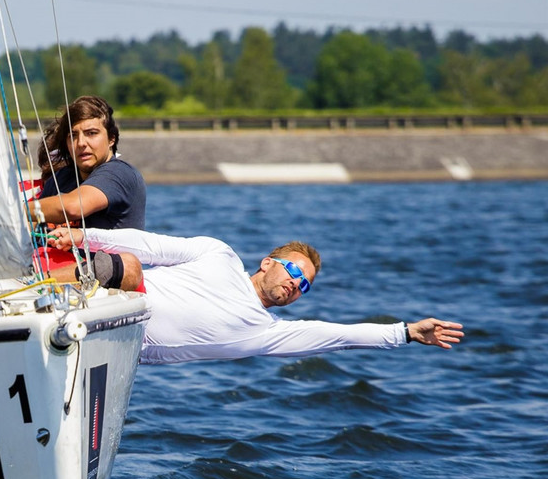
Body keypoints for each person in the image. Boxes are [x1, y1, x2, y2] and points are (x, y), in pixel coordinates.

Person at [48, 226, 464, 365]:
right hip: (107, 296)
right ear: (268, 263)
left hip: (111, 348)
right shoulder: (219, 254)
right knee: (134, 264)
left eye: (304, 287)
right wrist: (87, 235)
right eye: (294, 272)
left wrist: (406, 332)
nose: (295, 286)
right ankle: (30, 286)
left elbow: (339, 335)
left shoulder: (267, 333)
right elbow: (151, 244)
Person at [30, 96, 146, 290]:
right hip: (49, 276)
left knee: (127, 265)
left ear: (111, 139)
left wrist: (11, 211)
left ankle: (35, 284)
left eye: (91, 133)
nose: (81, 143)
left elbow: (73, 207)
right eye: (72, 136)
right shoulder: (61, 179)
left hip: (103, 283)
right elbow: (28, 228)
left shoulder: (119, 173)